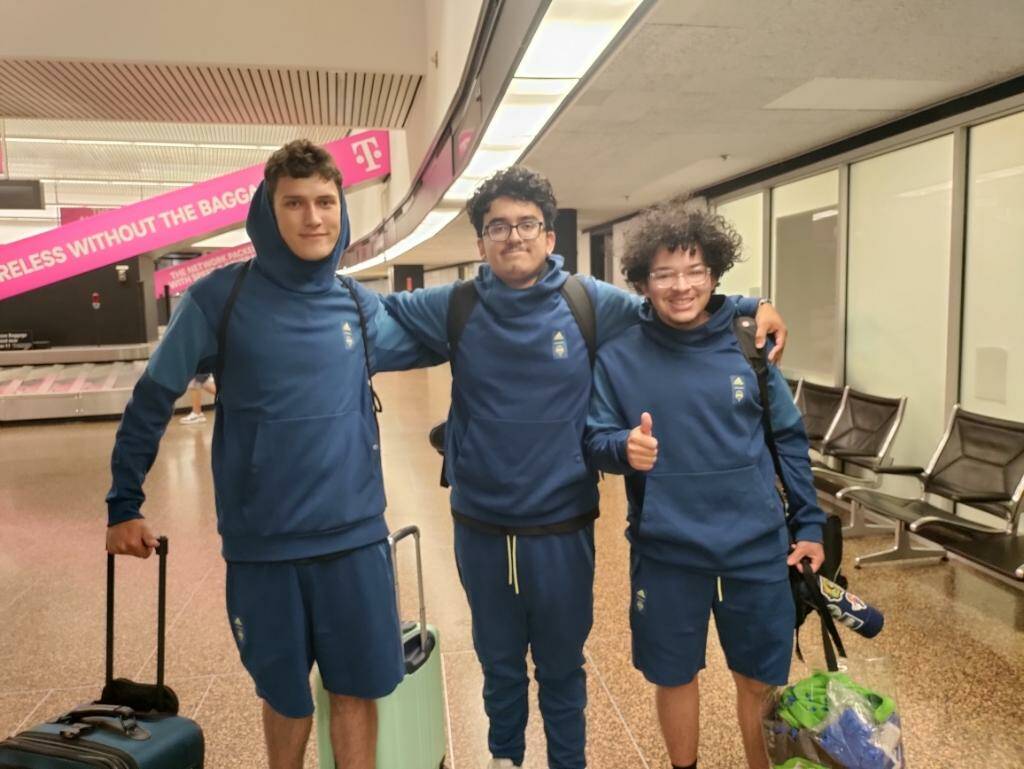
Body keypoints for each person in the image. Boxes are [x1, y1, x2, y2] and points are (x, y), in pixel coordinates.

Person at [382, 167, 788, 769]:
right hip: (479, 523)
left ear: (550, 237)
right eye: (498, 226)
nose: (513, 236)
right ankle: (505, 758)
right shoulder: (456, 304)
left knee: (563, 667)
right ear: (480, 243)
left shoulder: (587, 302)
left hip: (563, 524)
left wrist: (757, 305)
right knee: (496, 662)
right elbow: (369, 313)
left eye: (528, 225)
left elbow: (674, 298)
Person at [104, 140, 438, 769]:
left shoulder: (356, 306)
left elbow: (436, 333)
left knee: (357, 690)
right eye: (294, 203)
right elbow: (152, 399)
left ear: (341, 209)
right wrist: (124, 502)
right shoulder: (218, 300)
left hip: (355, 539)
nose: (313, 218)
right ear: (268, 210)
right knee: (287, 698)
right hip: (265, 547)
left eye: (325, 202)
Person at [583, 201, 826, 769]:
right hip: (667, 552)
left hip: (755, 547)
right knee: (673, 676)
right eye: (664, 274)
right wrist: (624, 448)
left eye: (694, 271)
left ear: (715, 273)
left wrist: (809, 524)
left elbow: (787, 438)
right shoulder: (619, 355)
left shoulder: (749, 344)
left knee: (758, 681)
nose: (681, 286)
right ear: (642, 282)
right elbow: (594, 439)